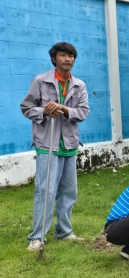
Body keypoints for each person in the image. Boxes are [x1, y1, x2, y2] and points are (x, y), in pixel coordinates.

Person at [20, 42, 90, 251]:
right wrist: (43, 111)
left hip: (69, 143)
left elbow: (83, 112)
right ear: (54, 59)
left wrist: (64, 109)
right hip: (46, 143)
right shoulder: (41, 81)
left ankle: (64, 231)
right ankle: (37, 237)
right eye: (63, 55)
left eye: (71, 56)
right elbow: (26, 108)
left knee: (69, 191)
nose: (68, 59)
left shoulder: (79, 85)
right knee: (46, 190)